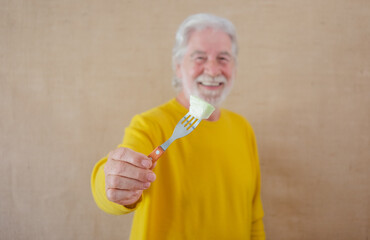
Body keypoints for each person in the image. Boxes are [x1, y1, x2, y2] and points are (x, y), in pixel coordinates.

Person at [91, 13, 265, 240]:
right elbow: (107, 187)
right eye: (199, 58)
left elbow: (253, 217)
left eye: (223, 58)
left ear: (234, 66)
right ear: (178, 67)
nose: (212, 70)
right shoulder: (149, 125)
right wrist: (112, 182)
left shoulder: (243, 129)